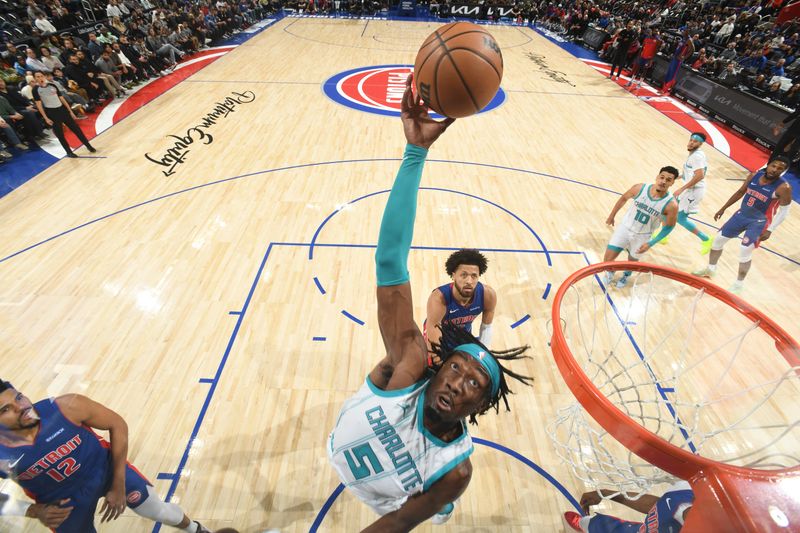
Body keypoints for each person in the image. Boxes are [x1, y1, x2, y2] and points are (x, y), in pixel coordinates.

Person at [327, 76, 533, 530]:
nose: (460, 382)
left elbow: (398, 525)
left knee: (435, 511)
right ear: (437, 368)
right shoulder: (409, 365)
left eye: (474, 384)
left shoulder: (455, 469)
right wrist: (415, 153)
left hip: (393, 501)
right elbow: (389, 261)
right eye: (457, 368)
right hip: (345, 454)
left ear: (479, 408)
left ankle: (441, 510)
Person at [0, 380, 211, 532]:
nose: (22, 407)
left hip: (108, 470)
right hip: (61, 503)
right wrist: (34, 511)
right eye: (6, 410)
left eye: (19, 397)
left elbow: (116, 424)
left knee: (158, 510)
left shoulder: (65, 407)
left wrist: (118, 483)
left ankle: (196, 529)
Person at [693, 157, 792, 294]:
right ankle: (711, 269)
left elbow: (784, 210)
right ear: (768, 165)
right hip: (741, 215)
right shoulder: (753, 175)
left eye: (779, 168)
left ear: (783, 172)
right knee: (717, 241)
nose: (775, 170)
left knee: (744, 251)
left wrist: (770, 229)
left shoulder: (783, 187)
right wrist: (723, 208)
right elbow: (740, 192)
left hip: (759, 222)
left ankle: (739, 285)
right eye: (773, 166)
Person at [604, 166, 679, 288]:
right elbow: (623, 198)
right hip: (625, 228)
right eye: (662, 177)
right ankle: (610, 272)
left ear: (672, 183)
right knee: (607, 259)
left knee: (632, 261)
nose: (664, 181)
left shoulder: (671, 205)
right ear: (657, 177)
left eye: (668, 180)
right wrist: (612, 215)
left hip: (643, 235)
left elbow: (669, 227)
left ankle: (625, 276)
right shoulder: (640, 188)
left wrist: (651, 243)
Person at [424, 249, 497, 365]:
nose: (469, 281)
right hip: (439, 336)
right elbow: (434, 336)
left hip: (463, 336)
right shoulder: (439, 298)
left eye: (474, 276)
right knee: (433, 369)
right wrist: (439, 364)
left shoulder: (488, 295)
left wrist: (482, 357)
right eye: (464, 275)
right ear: (453, 275)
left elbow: (486, 328)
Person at [563, 481, 694, 532]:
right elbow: (660, 504)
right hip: (641, 530)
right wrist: (609, 494)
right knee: (597, 524)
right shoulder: (686, 489)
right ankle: (582, 524)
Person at [665, 132, 713, 253]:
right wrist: (675, 177)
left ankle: (706, 239)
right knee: (669, 209)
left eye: (695, 141)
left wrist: (681, 188)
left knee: (680, 218)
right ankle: (664, 235)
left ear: (701, 144)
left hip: (693, 191)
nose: (692, 142)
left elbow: (700, 175)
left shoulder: (697, 156)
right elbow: (690, 173)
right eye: (691, 140)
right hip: (689, 189)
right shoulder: (695, 154)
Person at [31, 71, 96, 158]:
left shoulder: (52, 85)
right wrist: (46, 118)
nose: (40, 78)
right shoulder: (35, 90)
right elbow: (39, 105)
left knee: (76, 129)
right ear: (35, 79)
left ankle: (89, 146)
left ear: (44, 76)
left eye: (41, 76)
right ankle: (68, 152)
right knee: (60, 134)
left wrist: (70, 111)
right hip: (52, 113)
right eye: (37, 77)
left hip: (62, 110)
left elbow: (61, 98)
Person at [662, 29, 695, 95]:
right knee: (669, 72)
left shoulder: (689, 40)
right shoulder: (683, 38)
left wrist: (684, 57)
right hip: (675, 57)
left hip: (678, 60)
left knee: (672, 75)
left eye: (684, 31)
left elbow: (692, 50)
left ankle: (666, 90)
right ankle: (664, 89)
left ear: (687, 32)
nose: (683, 31)